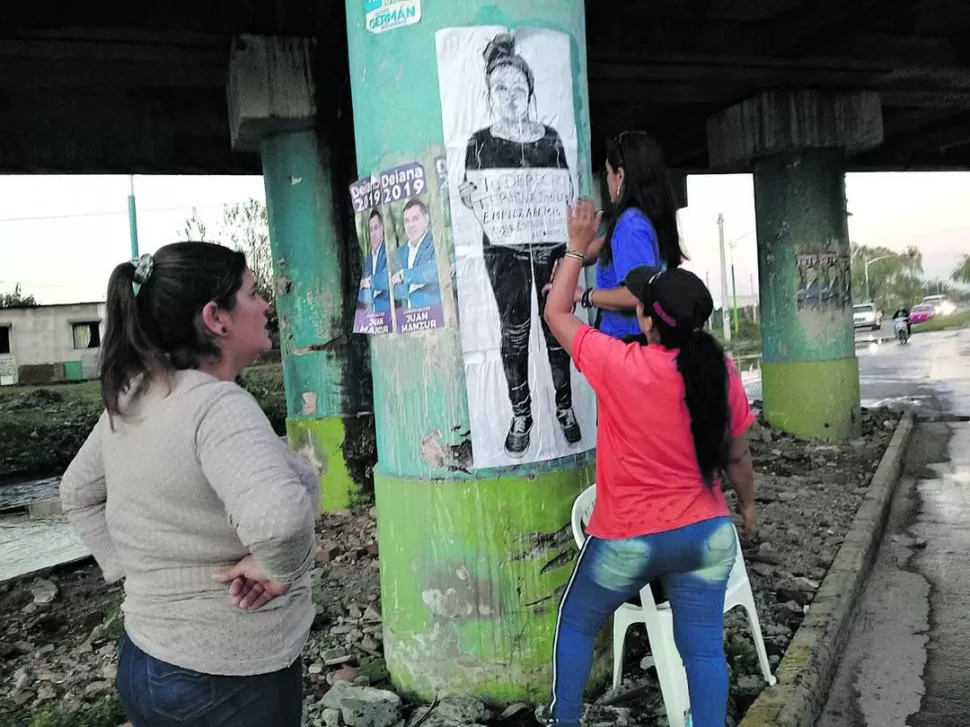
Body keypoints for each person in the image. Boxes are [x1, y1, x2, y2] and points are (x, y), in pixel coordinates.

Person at [60, 243, 319, 726]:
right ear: (215, 319)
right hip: (230, 676)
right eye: (252, 292)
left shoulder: (133, 394)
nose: (266, 305)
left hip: (144, 662)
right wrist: (276, 567)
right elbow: (280, 522)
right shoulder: (220, 407)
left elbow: (77, 493)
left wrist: (136, 572)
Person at [542, 200, 758, 727]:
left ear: (644, 316)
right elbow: (737, 455)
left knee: (576, 622)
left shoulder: (620, 365)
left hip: (628, 541)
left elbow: (556, 314)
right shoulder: (719, 369)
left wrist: (575, 245)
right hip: (706, 535)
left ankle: (564, 721)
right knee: (704, 652)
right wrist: (748, 510)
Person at [458, 32, 579, 458]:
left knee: (555, 325)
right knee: (514, 331)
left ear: (530, 91)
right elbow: (467, 190)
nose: (510, 96)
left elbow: (568, 190)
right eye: (500, 88)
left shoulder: (550, 140)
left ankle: (564, 407)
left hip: (550, 245)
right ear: (490, 95)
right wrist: (473, 196)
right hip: (504, 248)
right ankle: (522, 413)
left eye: (517, 87)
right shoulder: (478, 142)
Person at [577, 131, 687, 343]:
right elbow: (592, 251)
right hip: (644, 338)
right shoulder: (647, 217)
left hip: (628, 342)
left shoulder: (631, 224)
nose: (606, 180)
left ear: (620, 175)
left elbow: (637, 294)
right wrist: (565, 258)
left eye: (608, 172)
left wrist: (583, 295)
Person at [391, 198, 440, 309]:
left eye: (415, 219)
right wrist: (420, 281)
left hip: (431, 316)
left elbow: (433, 272)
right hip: (406, 319)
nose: (411, 225)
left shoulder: (436, 245)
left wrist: (404, 275)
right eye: (407, 221)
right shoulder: (399, 253)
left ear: (426, 219)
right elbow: (394, 290)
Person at [358, 208, 390, 314]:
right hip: (369, 316)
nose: (373, 234)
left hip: (386, 314)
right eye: (370, 230)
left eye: (376, 228)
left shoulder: (388, 255)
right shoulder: (367, 261)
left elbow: (387, 280)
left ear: (382, 229)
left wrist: (369, 282)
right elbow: (360, 293)